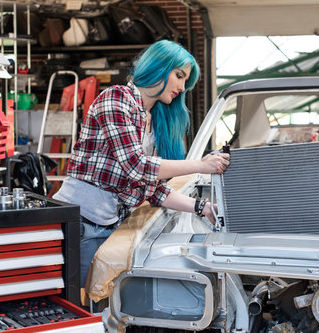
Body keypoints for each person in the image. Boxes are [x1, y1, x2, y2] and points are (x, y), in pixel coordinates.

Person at [53, 40, 230, 287]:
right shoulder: (116, 99)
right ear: (158, 67)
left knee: (105, 305)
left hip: (109, 226)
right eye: (179, 75)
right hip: (81, 223)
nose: (181, 86)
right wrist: (200, 165)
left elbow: (152, 188)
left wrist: (203, 208)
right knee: (83, 307)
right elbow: (137, 166)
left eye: (185, 81)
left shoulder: (154, 120)